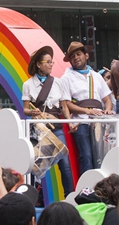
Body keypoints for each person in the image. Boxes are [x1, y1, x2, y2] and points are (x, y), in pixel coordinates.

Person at [22, 46, 73, 197]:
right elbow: (25, 109)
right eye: (48, 62)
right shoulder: (28, 84)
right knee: (33, 162)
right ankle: (30, 196)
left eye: (52, 62)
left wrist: (70, 122)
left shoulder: (58, 82)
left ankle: (69, 196)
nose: (51, 64)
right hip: (38, 129)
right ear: (39, 64)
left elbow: (64, 106)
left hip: (56, 126)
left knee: (65, 163)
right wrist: (32, 112)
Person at [61, 41, 113, 175]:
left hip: (100, 122)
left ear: (86, 56)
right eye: (72, 56)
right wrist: (87, 111)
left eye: (78, 54)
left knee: (102, 157)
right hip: (81, 122)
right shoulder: (66, 78)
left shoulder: (96, 76)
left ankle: (104, 189)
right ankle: (87, 191)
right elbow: (67, 104)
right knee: (86, 156)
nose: (76, 58)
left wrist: (107, 109)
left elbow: (107, 100)